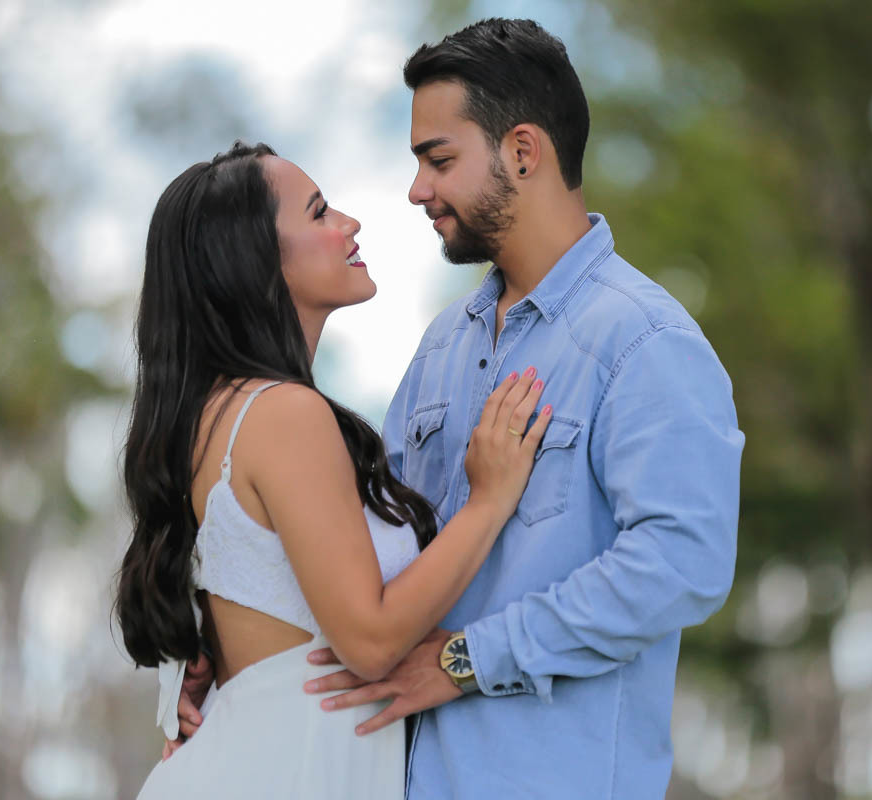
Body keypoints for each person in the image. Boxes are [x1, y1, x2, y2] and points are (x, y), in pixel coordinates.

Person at [300, 19, 746, 798]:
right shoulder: (441, 345)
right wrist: (235, 653)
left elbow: (683, 565)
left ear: (524, 152)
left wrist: (469, 659)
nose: (417, 190)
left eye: (439, 160)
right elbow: (372, 542)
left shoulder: (646, 342)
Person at [115, 141, 553, 798]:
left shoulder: (216, 415)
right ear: (255, 262)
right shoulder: (285, 414)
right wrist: (489, 501)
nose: (348, 223)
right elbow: (370, 642)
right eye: (319, 213)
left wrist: (195, 669)